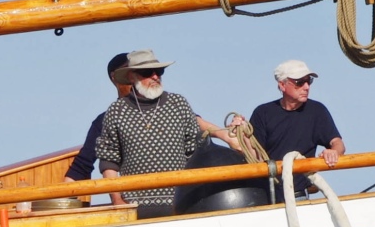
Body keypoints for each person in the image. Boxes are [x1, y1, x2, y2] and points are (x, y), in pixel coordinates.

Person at [92, 49, 227, 215]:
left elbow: (195, 152)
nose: (155, 76)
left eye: (159, 71)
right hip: (134, 209)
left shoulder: (179, 104)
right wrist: (117, 201)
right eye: (147, 72)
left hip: (181, 203)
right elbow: (108, 161)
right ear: (131, 77)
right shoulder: (116, 111)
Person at [247, 59, 344, 196]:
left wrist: (333, 152)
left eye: (308, 81)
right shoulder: (263, 113)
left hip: (299, 196)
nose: (306, 87)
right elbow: (254, 156)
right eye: (300, 82)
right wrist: (241, 133)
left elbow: (337, 143)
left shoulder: (317, 111)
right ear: (282, 85)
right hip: (265, 196)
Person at [65, 51, 135, 206]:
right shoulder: (105, 120)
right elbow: (82, 166)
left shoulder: (168, 107)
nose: (135, 77)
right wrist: (62, 199)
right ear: (115, 77)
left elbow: (200, 130)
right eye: (128, 71)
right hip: (132, 201)